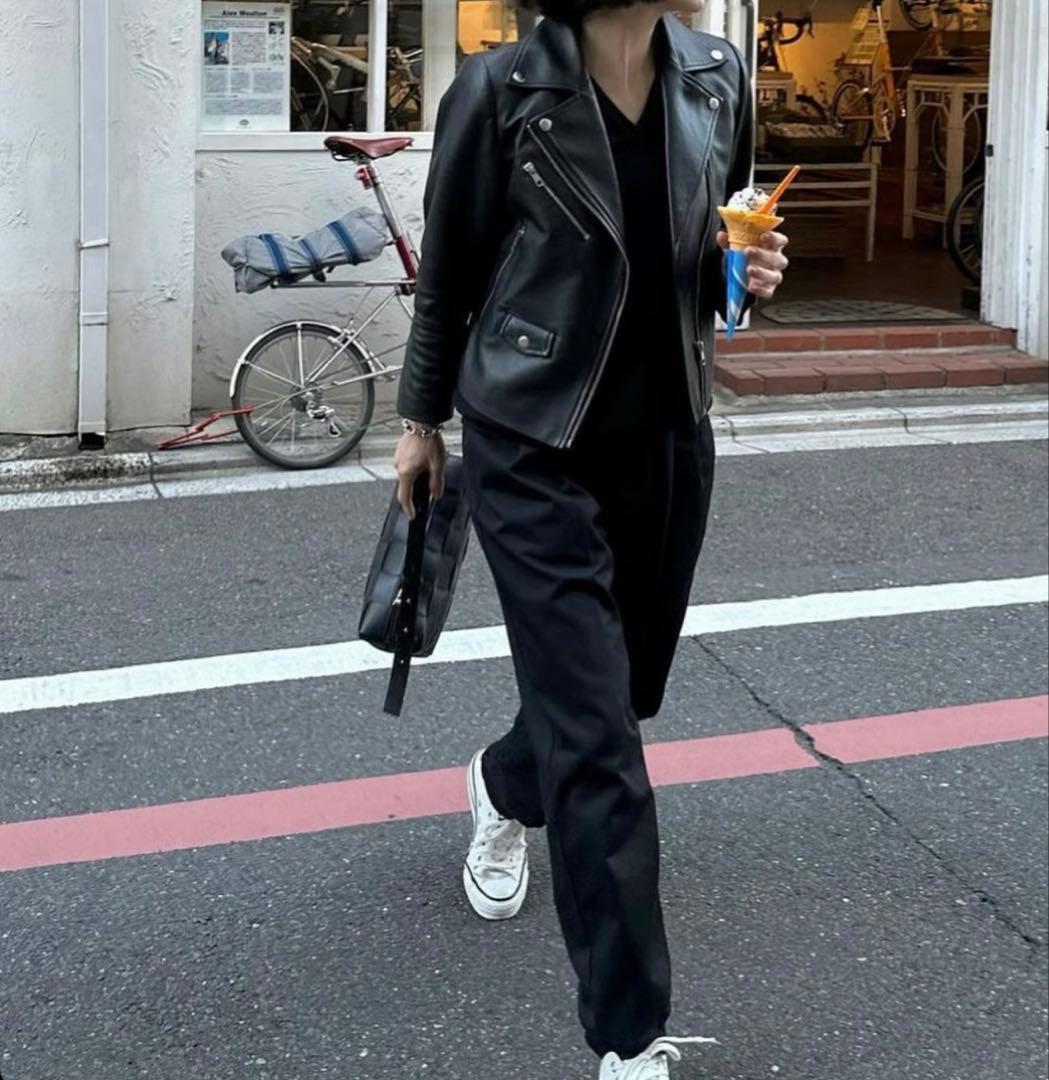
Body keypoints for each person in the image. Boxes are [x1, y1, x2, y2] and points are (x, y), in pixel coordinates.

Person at [393, 2, 789, 1076]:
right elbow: (450, 274)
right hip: (532, 439)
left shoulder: (714, 74)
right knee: (600, 743)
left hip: (667, 436)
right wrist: (420, 422)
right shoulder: (498, 90)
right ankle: (629, 1038)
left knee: (624, 693)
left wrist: (748, 274)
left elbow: (717, 236)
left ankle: (504, 780)